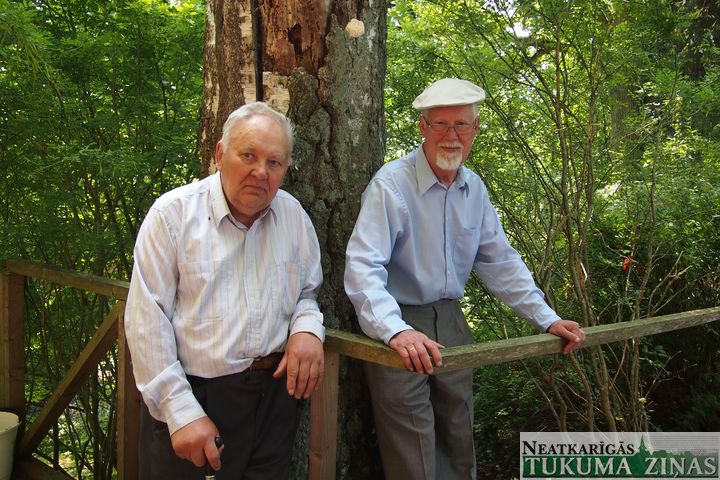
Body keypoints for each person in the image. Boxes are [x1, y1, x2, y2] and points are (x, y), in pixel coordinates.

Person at [344, 78, 586, 480]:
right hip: (397, 324)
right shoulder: (391, 185)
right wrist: (395, 330)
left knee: (458, 435)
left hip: (452, 322)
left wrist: (547, 318)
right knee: (413, 450)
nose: (451, 135)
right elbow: (363, 266)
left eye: (461, 125)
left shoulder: (474, 189)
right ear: (422, 127)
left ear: (475, 129)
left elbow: (499, 261)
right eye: (440, 124)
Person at [125, 101, 325, 479]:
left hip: (274, 399)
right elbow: (146, 322)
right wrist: (181, 412)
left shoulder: (294, 217)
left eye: (274, 162)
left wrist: (307, 329)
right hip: (196, 397)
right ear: (219, 154)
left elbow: (307, 294)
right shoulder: (173, 215)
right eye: (248, 155)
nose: (260, 172)